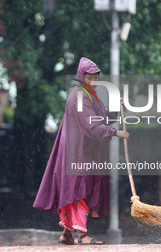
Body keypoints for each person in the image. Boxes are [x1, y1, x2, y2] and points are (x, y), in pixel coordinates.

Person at [33, 57, 129, 245]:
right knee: (79, 191)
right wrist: (116, 133)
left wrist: (116, 109)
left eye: (96, 77)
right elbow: (91, 126)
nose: (93, 80)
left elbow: (98, 119)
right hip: (76, 153)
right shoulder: (80, 96)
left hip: (82, 152)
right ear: (81, 77)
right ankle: (81, 235)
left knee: (76, 190)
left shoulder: (89, 95)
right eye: (90, 77)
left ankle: (67, 234)